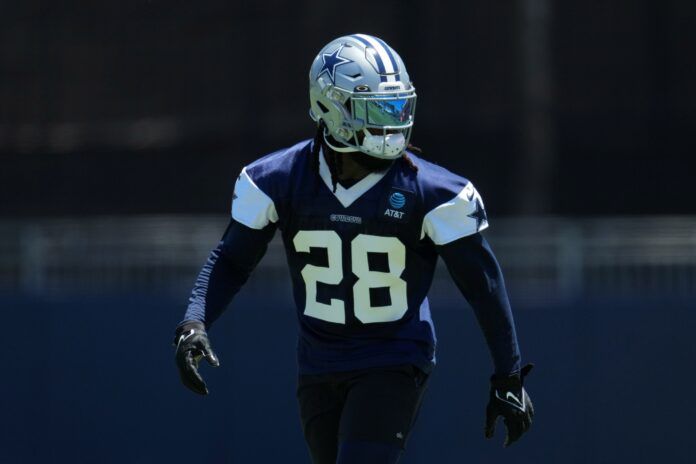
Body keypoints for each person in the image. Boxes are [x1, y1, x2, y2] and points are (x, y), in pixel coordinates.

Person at [173, 33, 534, 464]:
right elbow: (232, 260)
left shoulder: (433, 192)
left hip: (395, 356)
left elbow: (483, 285)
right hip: (318, 362)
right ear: (330, 107)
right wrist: (194, 321)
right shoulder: (278, 180)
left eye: (398, 106)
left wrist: (508, 375)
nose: (392, 121)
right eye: (377, 108)